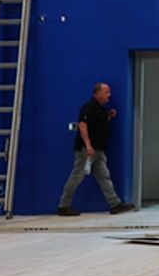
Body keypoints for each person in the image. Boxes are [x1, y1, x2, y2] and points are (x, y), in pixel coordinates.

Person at [57, 82, 133, 216]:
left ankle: (115, 204)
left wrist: (108, 115)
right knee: (77, 176)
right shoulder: (88, 108)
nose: (109, 95)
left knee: (104, 176)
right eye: (106, 92)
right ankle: (64, 205)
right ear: (97, 93)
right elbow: (82, 126)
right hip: (87, 151)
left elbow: (98, 125)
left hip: (99, 150)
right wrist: (88, 146)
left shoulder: (101, 109)